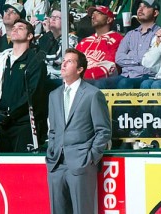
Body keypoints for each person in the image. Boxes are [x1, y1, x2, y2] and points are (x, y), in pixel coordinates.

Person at [46, 48, 111, 214]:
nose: (63, 64)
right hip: (56, 164)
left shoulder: (92, 94)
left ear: (80, 69)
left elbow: (103, 130)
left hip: (82, 163)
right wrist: (52, 151)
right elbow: (53, 130)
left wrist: (90, 158)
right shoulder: (54, 95)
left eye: (69, 61)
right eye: (63, 60)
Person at [0, 19, 48, 152]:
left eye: (20, 28)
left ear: (30, 36)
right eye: (13, 27)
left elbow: (33, 93)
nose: (14, 29)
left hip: (24, 124)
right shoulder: (1, 59)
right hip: (1, 123)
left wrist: (11, 113)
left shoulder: (35, 61)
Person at [96, 0, 161, 89]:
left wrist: (131, 56)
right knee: (100, 83)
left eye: (145, 7)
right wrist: (141, 59)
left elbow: (151, 61)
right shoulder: (130, 34)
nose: (140, 9)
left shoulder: (160, 33)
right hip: (125, 75)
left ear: (155, 13)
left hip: (146, 76)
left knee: (124, 83)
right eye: (139, 7)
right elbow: (118, 58)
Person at [76, 5, 123, 81]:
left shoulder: (117, 39)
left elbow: (111, 66)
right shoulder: (84, 41)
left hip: (101, 81)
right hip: (79, 79)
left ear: (109, 20)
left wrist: (81, 75)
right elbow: (73, 61)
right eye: (92, 14)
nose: (93, 16)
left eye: (98, 13)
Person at [39, 7, 78, 90]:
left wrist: (48, 33)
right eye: (52, 17)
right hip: (43, 78)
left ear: (66, 22)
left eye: (57, 17)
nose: (53, 19)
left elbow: (58, 60)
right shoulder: (43, 38)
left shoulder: (70, 39)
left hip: (59, 80)